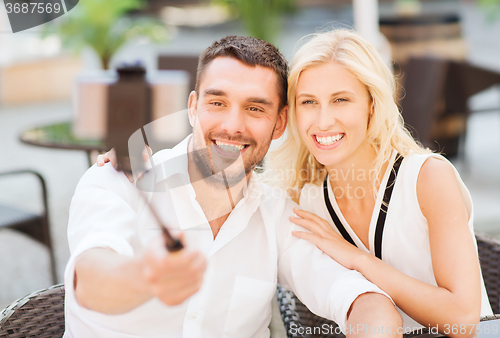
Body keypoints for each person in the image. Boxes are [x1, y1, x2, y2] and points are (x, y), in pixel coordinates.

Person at [65, 35, 403, 338]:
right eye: (217, 103)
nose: (232, 125)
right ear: (194, 107)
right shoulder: (118, 179)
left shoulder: (276, 213)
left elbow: (362, 300)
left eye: (255, 108)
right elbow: (91, 279)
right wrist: (146, 277)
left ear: (279, 123)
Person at [265, 29, 492, 337]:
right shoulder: (304, 202)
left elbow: (463, 320)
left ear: (372, 104)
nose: (322, 120)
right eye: (308, 102)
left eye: (341, 99)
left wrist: (357, 259)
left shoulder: (427, 178)